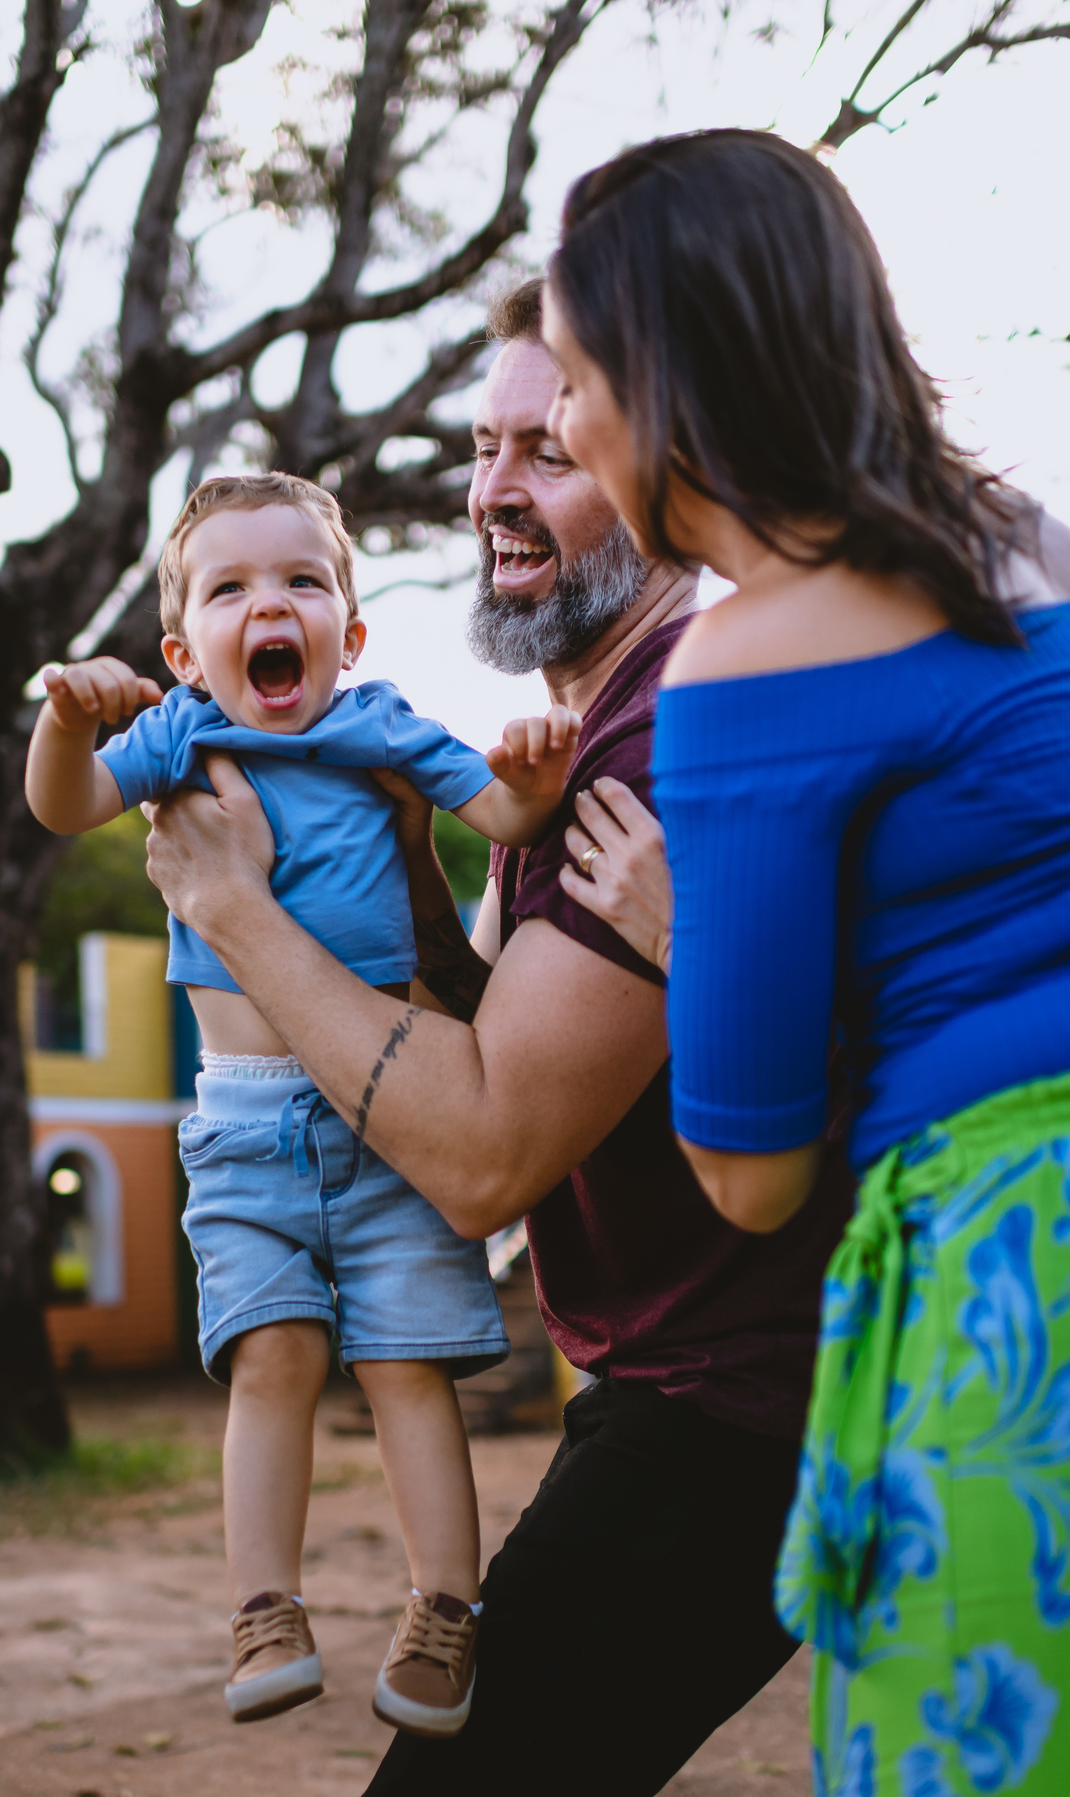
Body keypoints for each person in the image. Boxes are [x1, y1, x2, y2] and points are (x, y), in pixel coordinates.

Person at [138, 284, 856, 1796]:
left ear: (675, 470)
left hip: (740, 1411)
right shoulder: (572, 749)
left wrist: (238, 908)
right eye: (483, 446)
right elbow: (480, 1022)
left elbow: (478, 1156)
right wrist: (399, 853)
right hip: (674, 1388)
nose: (493, 492)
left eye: (550, 448)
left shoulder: (673, 737)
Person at [541, 129, 1070, 1795]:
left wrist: (689, 940)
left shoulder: (750, 656)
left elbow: (753, 1176)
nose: (561, 425)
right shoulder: (1032, 547)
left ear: (661, 376)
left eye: (568, 379)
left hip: (1013, 1272)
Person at [24, 470, 584, 1738]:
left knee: (404, 1370)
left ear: (349, 626)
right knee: (269, 1361)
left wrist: (535, 773)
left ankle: (446, 1611)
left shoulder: (382, 724)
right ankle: (264, 1609)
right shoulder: (178, 733)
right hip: (240, 1127)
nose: (268, 603)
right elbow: (64, 806)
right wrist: (68, 718)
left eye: (302, 581)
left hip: (387, 1122)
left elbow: (498, 807)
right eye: (230, 587)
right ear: (184, 650)